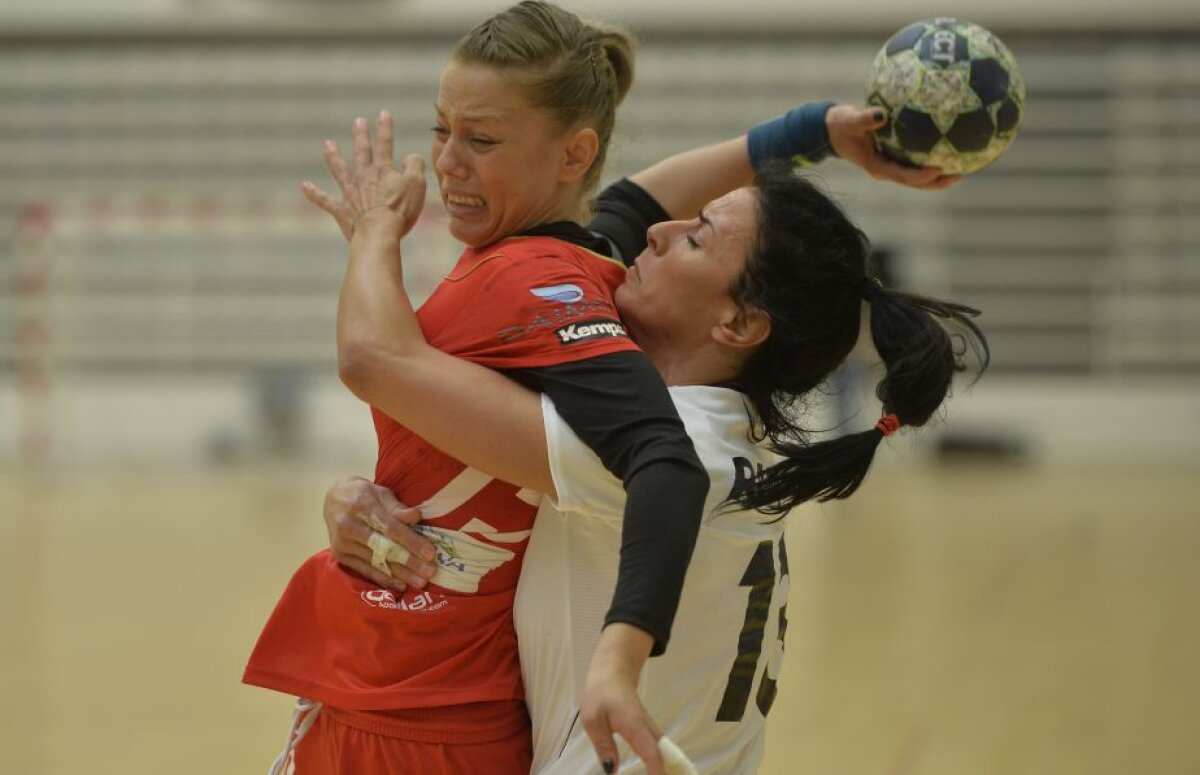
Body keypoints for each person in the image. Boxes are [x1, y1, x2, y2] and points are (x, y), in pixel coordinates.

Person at [245, 2, 963, 772]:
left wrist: (374, 232)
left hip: (435, 714)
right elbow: (629, 208)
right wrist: (813, 131)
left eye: (696, 237)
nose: (660, 231)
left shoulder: (628, 416)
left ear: (738, 323)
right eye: (441, 130)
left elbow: (375, 359)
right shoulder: (699, 399)